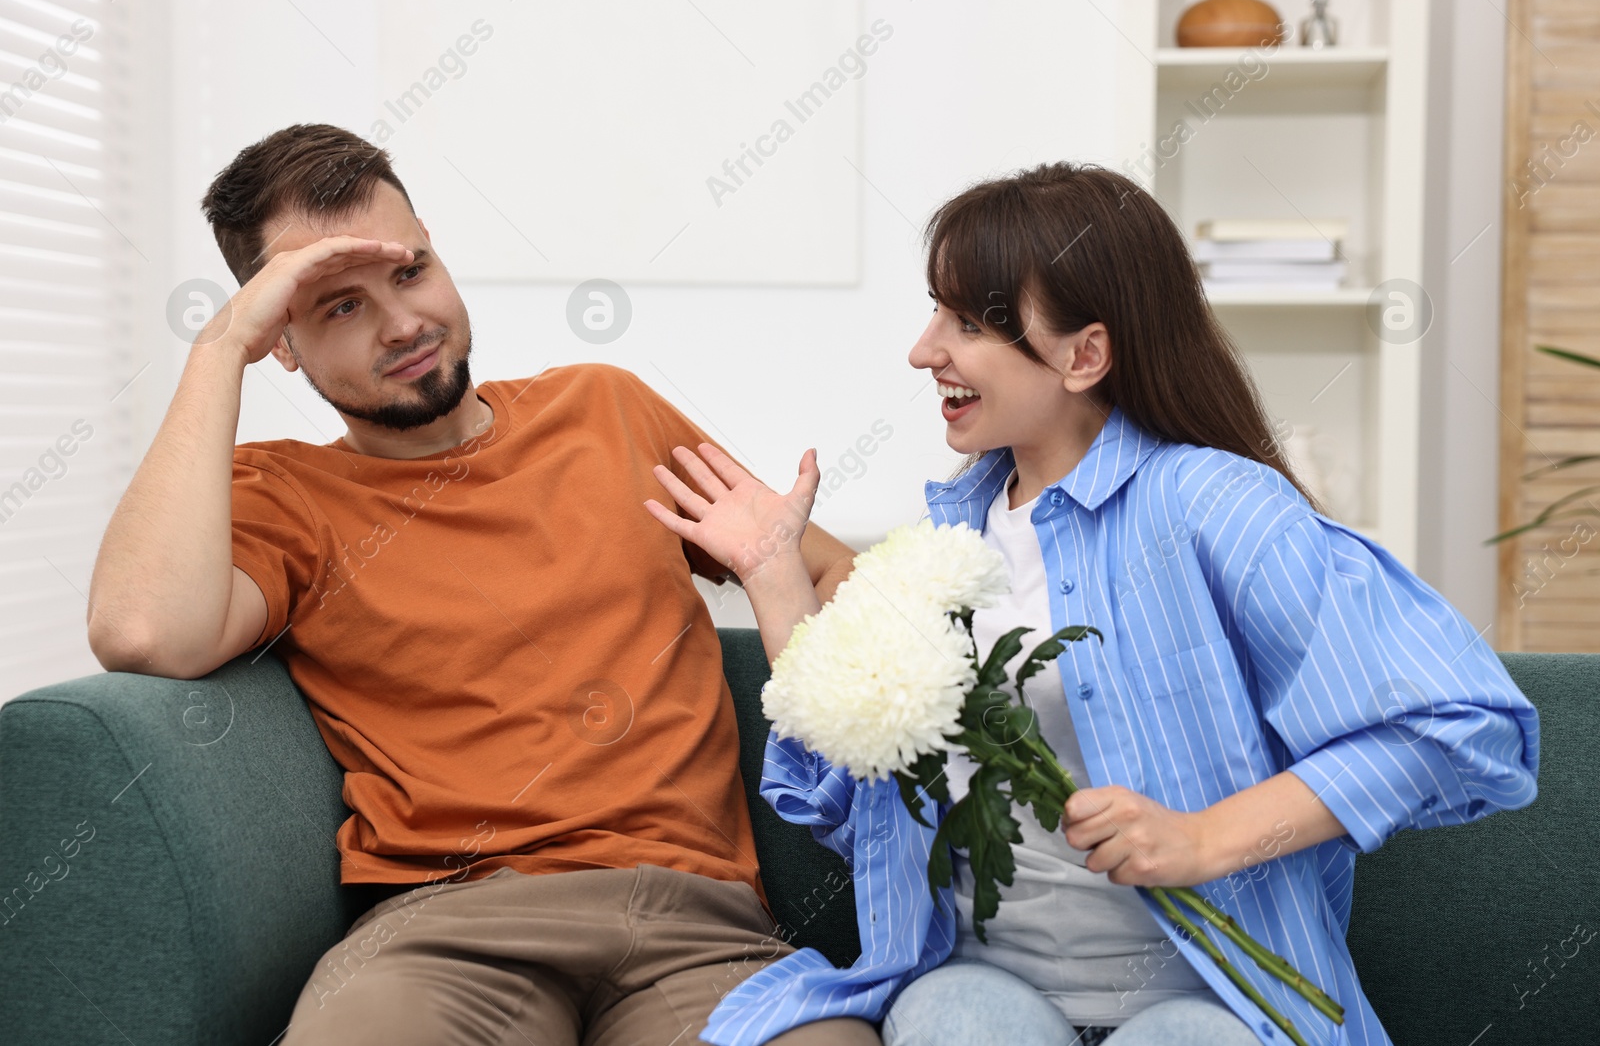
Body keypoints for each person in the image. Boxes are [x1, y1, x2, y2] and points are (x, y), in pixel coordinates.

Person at [644, 162, 1540, 1046]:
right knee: (951, 1022)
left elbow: (1462, 723)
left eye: (969, 321)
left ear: (1086, 354)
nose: (925, 350)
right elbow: (861, 806)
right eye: (934, 310)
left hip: (1209, 992)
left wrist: (1205, 838)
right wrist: (773, 577)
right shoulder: (951, 537)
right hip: (980, 986)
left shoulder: (1214, 505)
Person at [85, 123, 880, 1046]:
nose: (403, 324)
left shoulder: (606, 410)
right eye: (339, 307)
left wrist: (787, 598)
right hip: (445, 931)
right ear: (283, 343)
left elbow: (831, 566)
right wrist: (218, 349)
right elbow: (143, 631)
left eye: (411, 271)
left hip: (696, 929)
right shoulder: (287, 495)